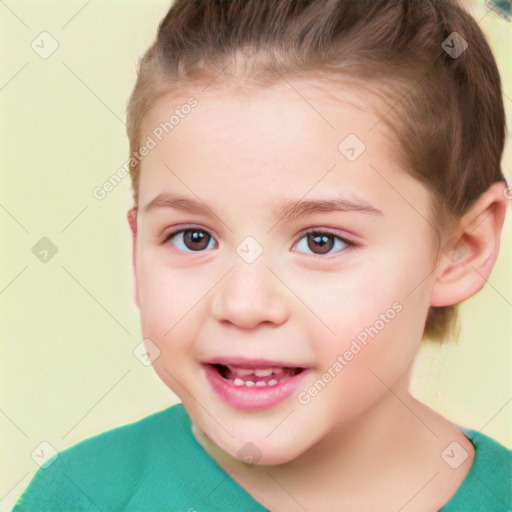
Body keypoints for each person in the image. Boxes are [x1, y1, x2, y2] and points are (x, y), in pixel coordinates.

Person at [13, 0, 511, 510]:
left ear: (460, 250)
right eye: (193, 238)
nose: (243, 304)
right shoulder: (85, 496)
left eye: (322, 241)